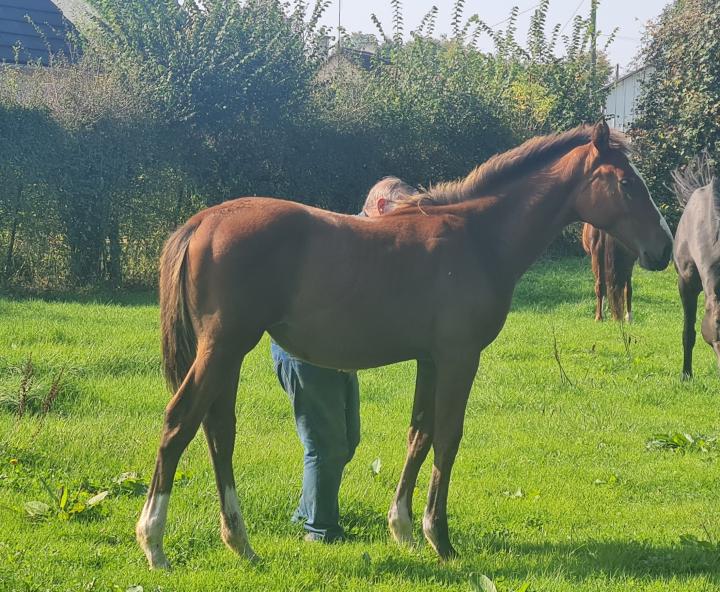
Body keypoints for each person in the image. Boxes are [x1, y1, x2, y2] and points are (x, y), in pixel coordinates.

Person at [271, 177, 418, 543]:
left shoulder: (374, 246)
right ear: (381, 207)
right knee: (326, 442)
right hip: (306, 352)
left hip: (339, 355)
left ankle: (306, 511)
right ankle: (320, 531)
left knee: (348, 440)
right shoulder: (342, 240)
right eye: (405, 211)